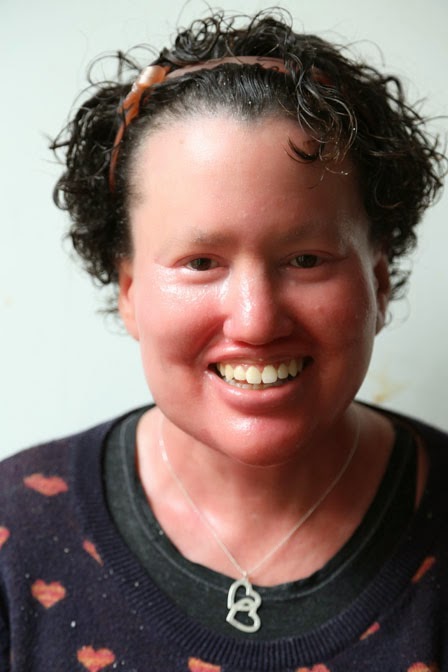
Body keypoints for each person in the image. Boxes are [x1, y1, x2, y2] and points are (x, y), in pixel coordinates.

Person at [0, 9, 447, 671]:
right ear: (127, 291)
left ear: (379, 281)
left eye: (306, 260)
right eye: (201, 263)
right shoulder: (16, 536)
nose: (256, 320)